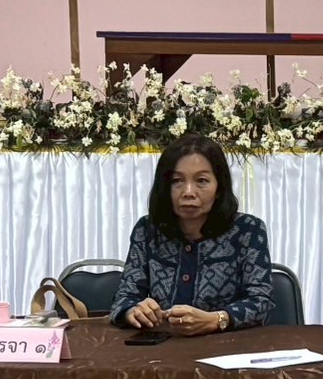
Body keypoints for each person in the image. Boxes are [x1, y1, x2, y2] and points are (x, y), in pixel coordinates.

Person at [111, 134, 274, 334]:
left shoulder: (248, 230)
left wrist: (216, 320)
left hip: (228, 345)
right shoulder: (147, 230)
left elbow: (261, 301)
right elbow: (124, 298)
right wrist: (133, 311)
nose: (188, 192)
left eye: (202, 181)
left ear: (219, 188)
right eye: (177, 181)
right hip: (162, 345)